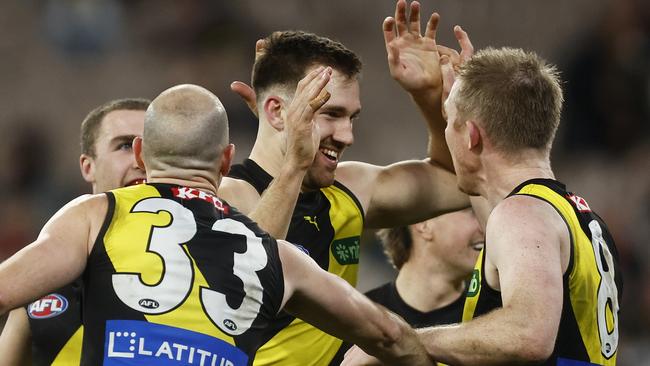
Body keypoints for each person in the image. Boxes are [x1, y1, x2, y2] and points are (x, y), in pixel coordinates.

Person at [0, 83, 432, 366]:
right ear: (226, 161)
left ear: (140, 155)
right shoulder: (274, 253)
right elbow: (391, 336)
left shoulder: (95, 215)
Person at [219, 1, 469, 364]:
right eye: (331, 114)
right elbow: (254, 279)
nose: (347, 135)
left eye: (352, 117)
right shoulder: (226, 199)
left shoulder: (350, 190)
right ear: (276, 111)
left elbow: (458, 181)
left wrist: (429, 98)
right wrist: (294, 165)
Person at [343, 46, 623, 365]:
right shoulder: (577, 216)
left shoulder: (523, 216)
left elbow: (528, 334)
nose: (446, 134)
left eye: (450, 124)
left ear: (472, 135)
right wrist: (449, 96)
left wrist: (400, 340)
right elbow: (483, 191)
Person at [0, 98, 149, 365]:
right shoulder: (39, 284)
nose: (142, 159)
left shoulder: (210, 265)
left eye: (154, 148)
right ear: (87, 166)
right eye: (126, 145)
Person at [332, 208, 484, 365]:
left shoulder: (492, 316)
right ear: (424, 223)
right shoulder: (355, 321)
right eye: (471, 212)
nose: (485, 226)